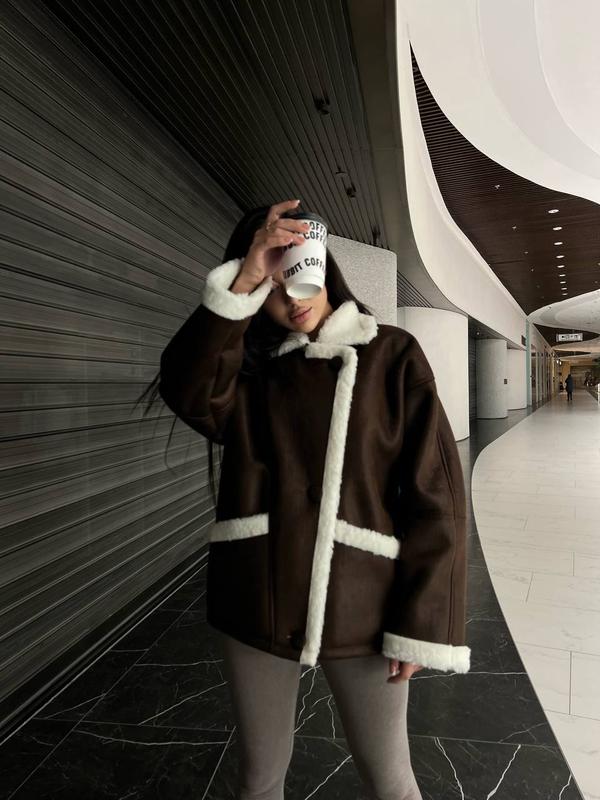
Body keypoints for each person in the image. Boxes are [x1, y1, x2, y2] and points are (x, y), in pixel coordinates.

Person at [138, 199, 470, 800]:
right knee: (259, 780)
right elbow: (187, 389)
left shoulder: (391, 355)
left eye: (299, 271)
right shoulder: (250, 376)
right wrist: (245, 277)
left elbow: (437, 495)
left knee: (391, 780)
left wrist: (423, 618)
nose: (292, 298)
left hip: (364, 600)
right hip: (256, 593)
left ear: (324, 265)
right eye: (272, 285)